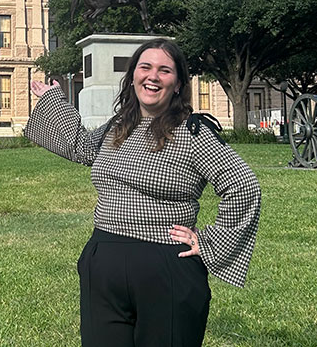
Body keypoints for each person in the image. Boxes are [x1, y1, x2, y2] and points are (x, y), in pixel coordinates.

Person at [25, 38, 261, 347]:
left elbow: (243, 186)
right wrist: (54, 99)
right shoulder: (118, 126)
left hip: (165, 267)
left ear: (177, 84)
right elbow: (80, 146)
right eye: (145, 67)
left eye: (164, 70)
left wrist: (209, 242)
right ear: (133, 75)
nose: (152, 76)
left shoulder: (194, 133)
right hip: (104, 261)